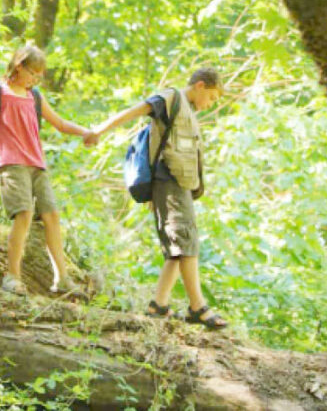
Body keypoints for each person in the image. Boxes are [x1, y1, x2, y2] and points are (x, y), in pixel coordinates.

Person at [0, 45, 97, 295]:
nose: (34, 79)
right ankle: (12, 276)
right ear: (19, 66)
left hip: (36, 163)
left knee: (52, 215)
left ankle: (62, 278)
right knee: (23, 213)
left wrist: (85, 132)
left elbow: (60, 123)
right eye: (32, 73)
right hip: (10, 161)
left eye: (39, 76)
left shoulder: (35, 96)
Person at [91, 68, 228, 329]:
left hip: (179, 185)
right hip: (169, 183)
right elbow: (136, 110)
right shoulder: (171, 99)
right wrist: (99, 130)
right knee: (185, 242)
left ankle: (159, 305)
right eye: (211, 97)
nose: (210, 104)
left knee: (177, 247)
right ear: (200, 85)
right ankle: (197, 307)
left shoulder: (187, 110)